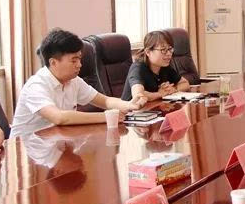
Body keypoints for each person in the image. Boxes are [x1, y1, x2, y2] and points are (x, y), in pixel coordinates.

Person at [10, 28, 145, 138]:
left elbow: (105, 101)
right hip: (26, 149)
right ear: (53, 62)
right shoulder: (36, 86)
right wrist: (106, 117)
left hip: (57, 142)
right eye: (73, 60)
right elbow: (59, 118)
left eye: (80, 59)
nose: (79, 65)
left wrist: (129, 104)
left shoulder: (73, 80)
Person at [122, 30, 191, 102]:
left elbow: (185, 83)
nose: (168, 54)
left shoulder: (164, 66)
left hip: (154, 107)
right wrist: (160, 94)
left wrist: (173, 89)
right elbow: (138, 96)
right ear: (148, 52)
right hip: (133, 109)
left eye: (170, 49)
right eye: (163, 50)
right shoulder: (138, 68)